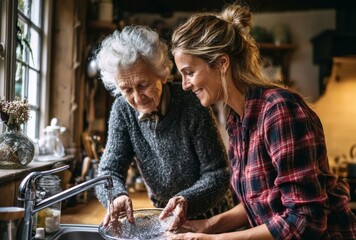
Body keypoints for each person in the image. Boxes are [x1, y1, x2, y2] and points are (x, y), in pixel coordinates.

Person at [167, 3, 356, 240]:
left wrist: (218, 239)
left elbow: (306, 220)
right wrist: (207, 225)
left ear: (222, 63)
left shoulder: (280, 110)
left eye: (189, 72)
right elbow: (259, 203)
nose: (185, 85)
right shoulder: (239, 119)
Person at [94, 25, 236, 230]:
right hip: (162, 218)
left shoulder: (191, 103)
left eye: (143, 85)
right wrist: (116, 195)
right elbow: (109, 171)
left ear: (162, 74)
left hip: (210, 217)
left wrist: (185, 200)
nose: (137, 97)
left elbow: (218, 173)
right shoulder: (122, 110)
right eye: (126, 89)